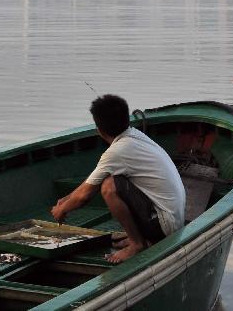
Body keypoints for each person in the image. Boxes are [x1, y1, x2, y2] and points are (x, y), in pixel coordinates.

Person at [50, 94, 186, 263]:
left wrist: (61, 210)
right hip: (172, 218)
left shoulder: (117, 151)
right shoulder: (133, 135)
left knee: (109, 186)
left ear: (99, 129)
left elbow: (84, 196)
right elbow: (88, 183)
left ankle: (137, 244)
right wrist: (67, 199)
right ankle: (139, 237)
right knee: (111, 180)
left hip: (165, 226)